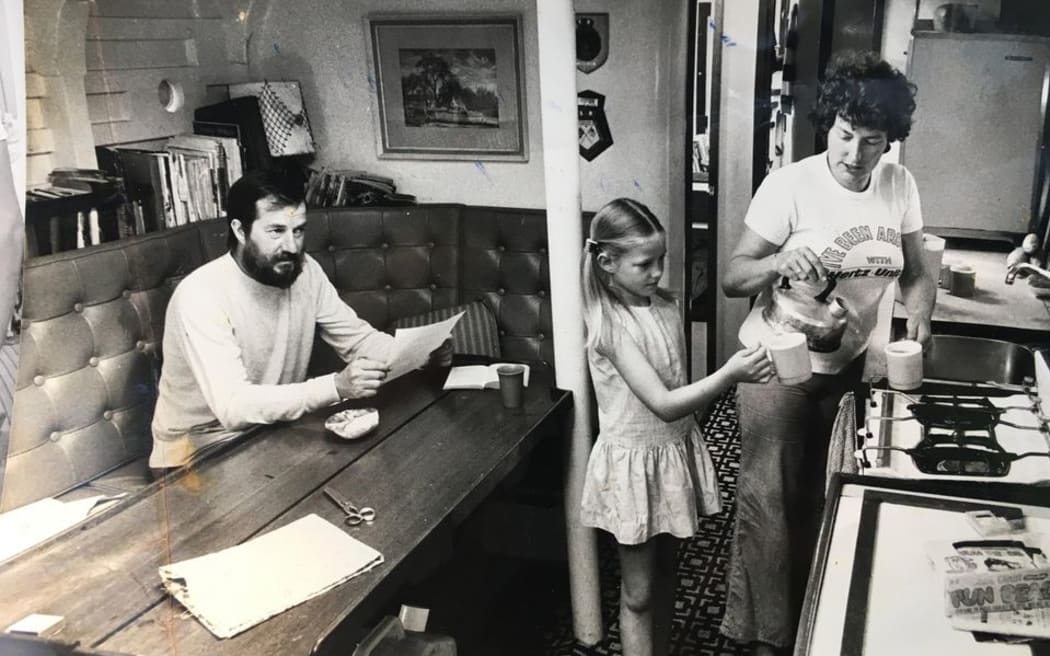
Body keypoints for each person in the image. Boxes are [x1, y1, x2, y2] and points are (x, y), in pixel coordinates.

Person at [719, 51, 936, 655]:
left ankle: (808, 630)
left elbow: (917, 272)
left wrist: (920, 312)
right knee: (768, 501)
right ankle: (764, 640)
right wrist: (776, 261)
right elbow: (734, 276)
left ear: (889, 141)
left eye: (872, 142)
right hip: (776, 361)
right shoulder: (790, 184)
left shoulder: (900, 185)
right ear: (828, 124)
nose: (853, 154)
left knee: (824, 497)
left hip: (847, 364)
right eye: (844, 135)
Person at [149, 169, 450, 474]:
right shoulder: (201, 295)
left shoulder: (305, 271)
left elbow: (357, 341)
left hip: (270, 434)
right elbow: (234, 407)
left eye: (299, 230)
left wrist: (419, 353)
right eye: (276, 231)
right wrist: (336, 387)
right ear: (240, 231)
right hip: (194, 456)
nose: (292, 247)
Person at [578, 198, 774, 656]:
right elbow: (664, 403)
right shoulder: (609, 325)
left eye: (661, 260)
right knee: (639, 591)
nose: (657, 272)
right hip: (633, 464)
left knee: (669, 572)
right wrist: (729, 374)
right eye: (645, 263)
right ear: (606, 263)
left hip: (670, 454)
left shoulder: (664, 306)